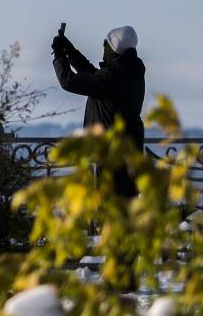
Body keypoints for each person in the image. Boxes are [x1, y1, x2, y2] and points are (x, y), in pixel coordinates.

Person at [52, 25, 145, 198]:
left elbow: (69, 81)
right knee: (126, 204)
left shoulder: (113, 77)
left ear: (114, 49)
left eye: (106, 45)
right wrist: (70, 51)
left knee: (108, 208)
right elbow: (94, 76)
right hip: (129, 150)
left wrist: (59, 55)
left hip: (109, 155)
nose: (103, 49)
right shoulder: (131, 72)